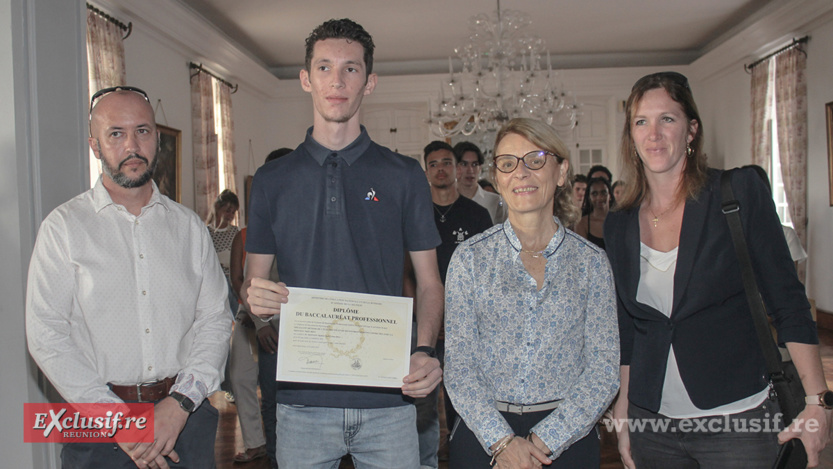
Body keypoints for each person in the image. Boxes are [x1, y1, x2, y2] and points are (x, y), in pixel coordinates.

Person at [242, 19, 444, 469]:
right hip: (301, 403)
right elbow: (252, 288)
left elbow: (430, 282)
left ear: (369, 82)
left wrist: (425, 350)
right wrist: (254, 298)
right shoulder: (272, 180)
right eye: (325, 67)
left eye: (351, 69)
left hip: (391, 400)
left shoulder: (404, 175)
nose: (337, 81)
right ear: (305, 78)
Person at [606, 71, 831, 468]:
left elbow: (788, 302)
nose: (653, 134)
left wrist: (817, 403)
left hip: (736, 419)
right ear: (631, 135)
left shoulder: (737, 192)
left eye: (667, 119)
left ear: (692, 130)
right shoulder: (619, 223)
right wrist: (624, 408)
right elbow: (629, 328)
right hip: (651, 421)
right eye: (641, 122)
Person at [26, 86, 230, 468]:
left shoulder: (188, 228)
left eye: (143, 131)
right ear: (95, 145)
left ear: (156, 137)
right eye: (115, 133)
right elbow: (47, 334)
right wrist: (119, 421)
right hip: (96, 429)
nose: (132, 146)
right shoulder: (64, 228)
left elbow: (215, 320)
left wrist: (181, 402)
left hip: (185, 419)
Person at [444, 118, 620, 468]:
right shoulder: (470, 258)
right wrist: (503, 442)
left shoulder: (591, 263)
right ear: (497, 178)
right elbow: (460, 367)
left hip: (567, 438)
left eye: (535, 159)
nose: (521, 173)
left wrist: (543, 440)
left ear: (561, 171)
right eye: (508, 163)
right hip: (484, 436)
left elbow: (604, 369)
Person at [419, 140, 492, 468]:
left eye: (447, 162)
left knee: (463, 398)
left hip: (465, 326)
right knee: (422, 401)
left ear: (457, 165)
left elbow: (489, 274)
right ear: (426, 170)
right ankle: (425, 460)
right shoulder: (416, 212)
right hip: (424, 325)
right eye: (433, 164)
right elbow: (407, 271)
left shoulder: (477, 214)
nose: (441, 169)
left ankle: (466, 455)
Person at [234, 147, 293, 469]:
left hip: (300, 321)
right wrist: (261, 323)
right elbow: (244, 280)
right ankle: (273, 457)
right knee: (270, 395)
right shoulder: (255, 226)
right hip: (266, 320)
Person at [453, 141, 507, 224]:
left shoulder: (495, 201)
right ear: (455, 167)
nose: (470, 170)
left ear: (480, 168)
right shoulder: (448, 200)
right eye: (464, 164)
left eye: (474, 164)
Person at [574, 177, 611, 250]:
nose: (599, 197)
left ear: (610, 195)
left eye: (603, 193)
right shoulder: (582, 224)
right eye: (594, 194)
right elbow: (582, 254)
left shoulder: (619, 221)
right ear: (589, 198)